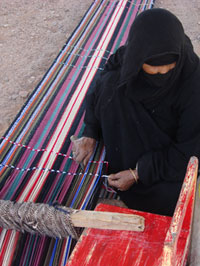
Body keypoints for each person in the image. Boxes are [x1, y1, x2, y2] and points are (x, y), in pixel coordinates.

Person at [71, 8, 200, 216]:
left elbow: (189, 151)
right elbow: (101, 85)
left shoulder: (193, 82)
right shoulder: (130, 56)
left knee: (179, 197)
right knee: (112, 85)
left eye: (169, 68)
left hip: (167, 150)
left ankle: (134, 182)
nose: (163, 75)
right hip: (134, 131)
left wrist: (138, 172)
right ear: (138, 58)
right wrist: (91, 131)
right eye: (154, 69)